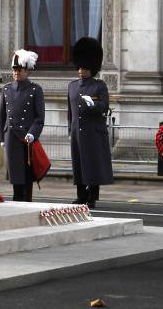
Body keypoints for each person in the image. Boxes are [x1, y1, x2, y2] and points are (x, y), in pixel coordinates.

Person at [68, 37, 113, 209]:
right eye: (79, 67)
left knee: (92, 165)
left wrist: (93, 104)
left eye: (84, 68)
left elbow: (104, 107)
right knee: (78, 165)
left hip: (93, 132)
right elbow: (70, 111)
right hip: (77, 133)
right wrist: (69, 130)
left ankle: (92, 197)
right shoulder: (72, 86)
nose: (81, 71)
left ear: (91, 68)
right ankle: (81, 196)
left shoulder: (99, 86)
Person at [0, 49, 45, 202]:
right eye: (15, 69)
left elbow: (39, 117)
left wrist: (33, 133)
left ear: (27, 71)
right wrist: (1, 137)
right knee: (15, 173)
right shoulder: (6, 89)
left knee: (26, 173)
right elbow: (2, 116)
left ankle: (26, 200)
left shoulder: (35, 90)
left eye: (19, 70)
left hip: (26, 137)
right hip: (11, 136)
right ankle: (16, 198)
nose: (16, 72)